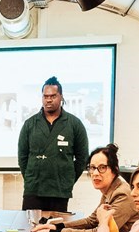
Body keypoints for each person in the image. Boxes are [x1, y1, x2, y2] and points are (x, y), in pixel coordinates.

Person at [31, 143, 137, 232]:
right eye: (92, 168)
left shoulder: (122, 194)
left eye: (102, 168)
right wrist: (57, 227)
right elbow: (91, 221)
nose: (95, 173)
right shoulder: (110, 189)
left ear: (115, 169)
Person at [16, 76, 88, 212]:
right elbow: (22, 158)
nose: (49, 100)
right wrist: (32, 177)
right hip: (34, 189)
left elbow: (82, 158)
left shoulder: (74, 124)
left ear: (61, 96)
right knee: (29, 228)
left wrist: (67, 179)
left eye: (53, 96)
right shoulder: (30, 124)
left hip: (60, 190)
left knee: (56, 230)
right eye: (45, 96)